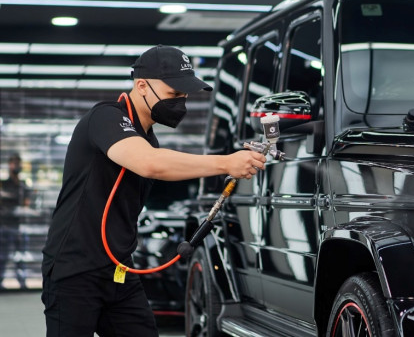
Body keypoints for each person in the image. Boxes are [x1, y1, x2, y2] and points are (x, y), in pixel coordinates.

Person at [41, 45, 266, 337]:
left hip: (119, 270)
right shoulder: (106, 117)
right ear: (142, 85)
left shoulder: (149, 139)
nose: (181, 103)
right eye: (174, 94)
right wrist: (226, 162)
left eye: (185, 96)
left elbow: (159, 162)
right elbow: (150, 164)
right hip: (74, 269)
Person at [0, 153, 31, 290]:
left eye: (17, 164)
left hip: (20, 226)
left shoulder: (23, 185)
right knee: (4, 256)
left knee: (21, 257)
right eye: (13, 163)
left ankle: (22, 283)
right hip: (6, 225)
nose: (15, 166)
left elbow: (26, 204)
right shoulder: (4, 184)